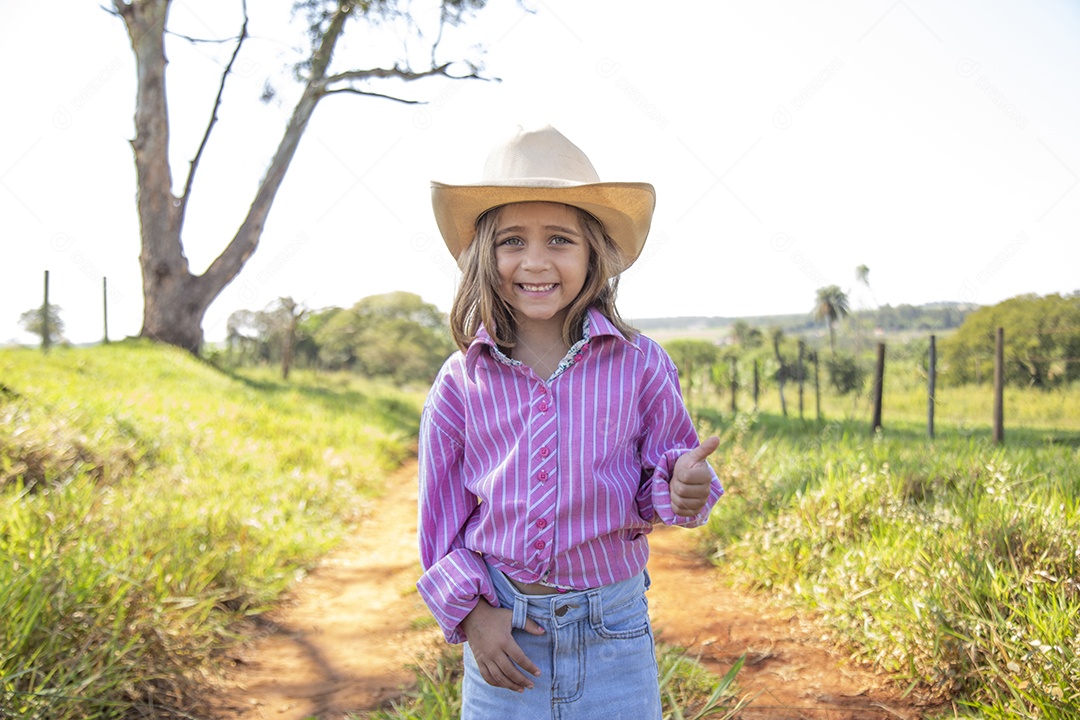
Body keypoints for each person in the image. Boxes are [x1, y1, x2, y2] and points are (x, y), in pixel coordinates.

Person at [417, 124, 724, 719]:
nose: (535, 261)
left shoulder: (640, 364)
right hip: (506, 640)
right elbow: (440, 523)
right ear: (485, 254)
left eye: (559, 239)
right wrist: (474, 616)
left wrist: (683, 488)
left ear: (593, 255)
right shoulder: (460, 382)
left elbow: (666, 479)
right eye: (512, 241)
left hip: (615, 637)